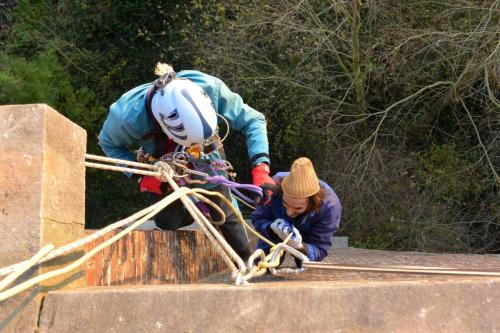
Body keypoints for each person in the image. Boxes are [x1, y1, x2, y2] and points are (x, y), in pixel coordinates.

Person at [98, 63, 275, 260]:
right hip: (164, 164)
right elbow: (108, 144)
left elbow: (253, 120)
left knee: (221, 207)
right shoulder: (126, 117)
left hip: (207, 152)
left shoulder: (209, 86)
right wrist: (139, 176)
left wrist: (261, 168)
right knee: (168, 222)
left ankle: (245, 257)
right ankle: (198, 210)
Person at [252, 157, 342, 266]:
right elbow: (258, 218)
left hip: (308, 234)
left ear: (312, 202)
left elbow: (319, 250)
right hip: (274, 232)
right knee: (262, 263)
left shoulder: (330, 207)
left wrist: (299, 246)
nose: (289, 213)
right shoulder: (272, 187)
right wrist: (271, 229)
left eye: (298, 208)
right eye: (285, 204)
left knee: (306, 266)